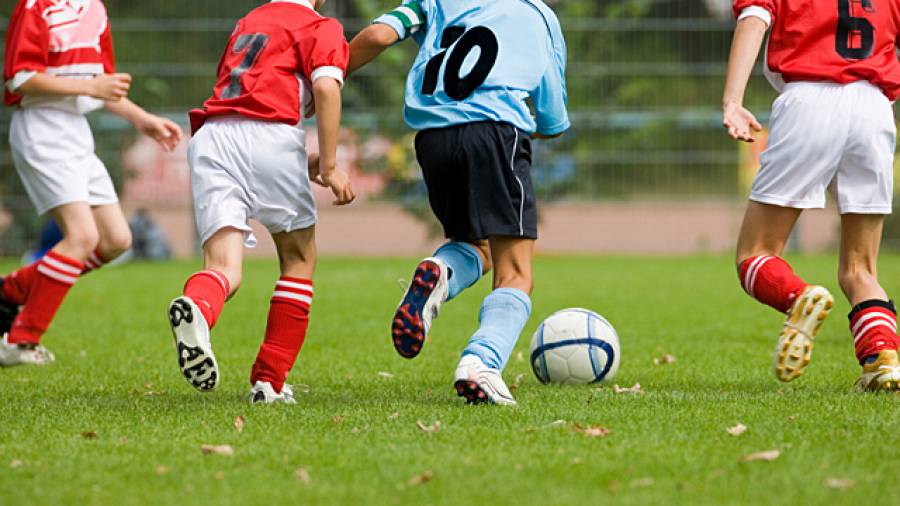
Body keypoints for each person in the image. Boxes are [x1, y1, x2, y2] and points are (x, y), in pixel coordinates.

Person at [348, 0, 570, 405]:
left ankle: (440, 269)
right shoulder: (538, 14)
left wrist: (327, 76)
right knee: (516, 272)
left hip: (432, 138)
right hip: (495, 130)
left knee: (475, 245)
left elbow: (380, 34)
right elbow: (552, 121)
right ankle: (480, 362)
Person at [168, 0, 355, 403]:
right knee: (298, 259)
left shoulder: (249, 21)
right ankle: (268, 382)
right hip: (272, 135)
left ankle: (198, 307)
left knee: (222, 267)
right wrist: (331, 164)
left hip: (212, 137)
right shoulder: (321, 26)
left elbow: (248, 97)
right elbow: (325, 87)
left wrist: (299, 163)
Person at [724, 0, 900, 390]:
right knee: (860, 269)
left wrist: (733, 101)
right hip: (874, 108)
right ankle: (883, 360)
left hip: (808, 100)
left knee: (755, 253)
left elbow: (753, 21)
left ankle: (799, 297)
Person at [0, 0, 181, 367]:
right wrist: (90, 86)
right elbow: (19, 79)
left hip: (75, 132)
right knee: (81, 237)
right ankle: (19, 340)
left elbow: (103, 87)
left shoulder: (95, 8)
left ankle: (12, 289)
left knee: (116, 240)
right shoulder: (37, 6)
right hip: (41, 128)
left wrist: (142, 118)